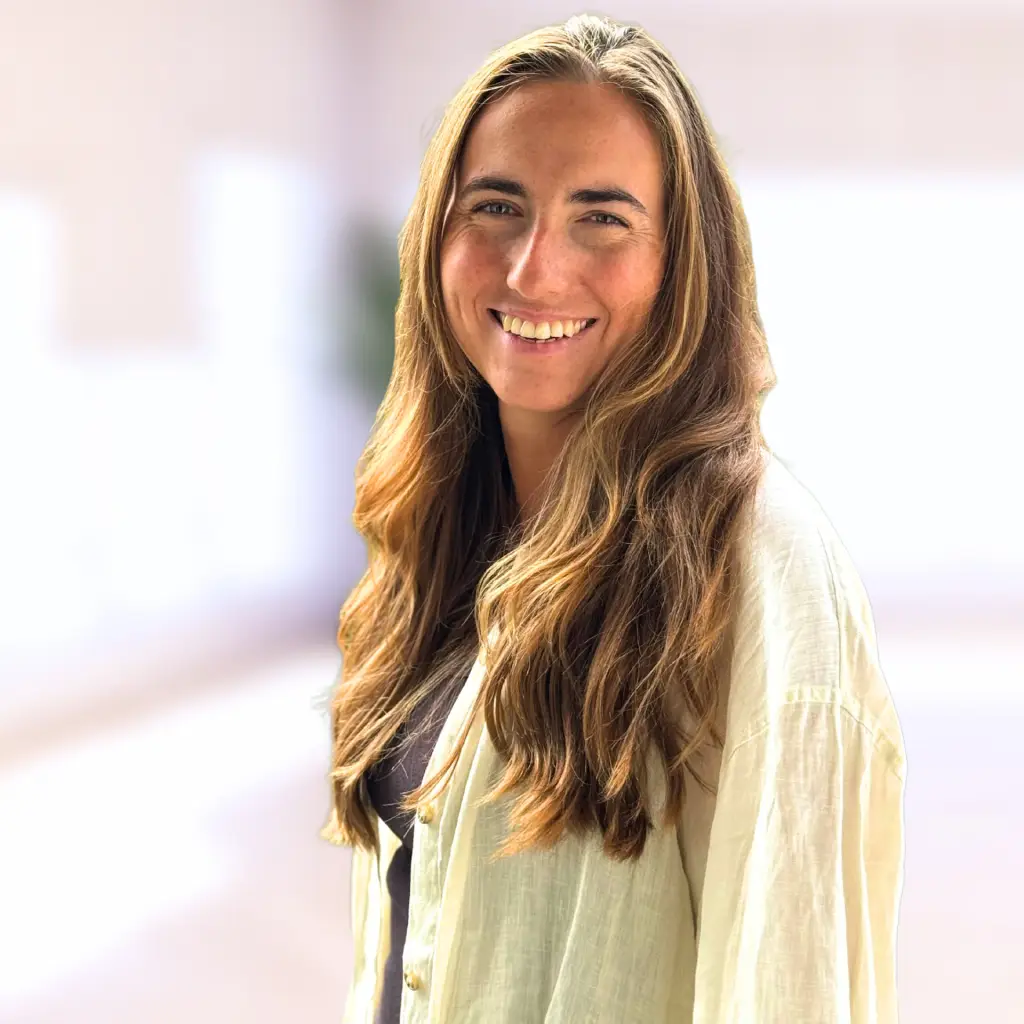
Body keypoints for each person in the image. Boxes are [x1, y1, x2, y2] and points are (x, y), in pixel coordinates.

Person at [322, 13, 906, 1024]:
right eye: (496, 206)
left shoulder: (758, 565)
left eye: (601, 217)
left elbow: (789, 988)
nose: (532, 269)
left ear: (683, 263)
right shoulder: (445, 537)